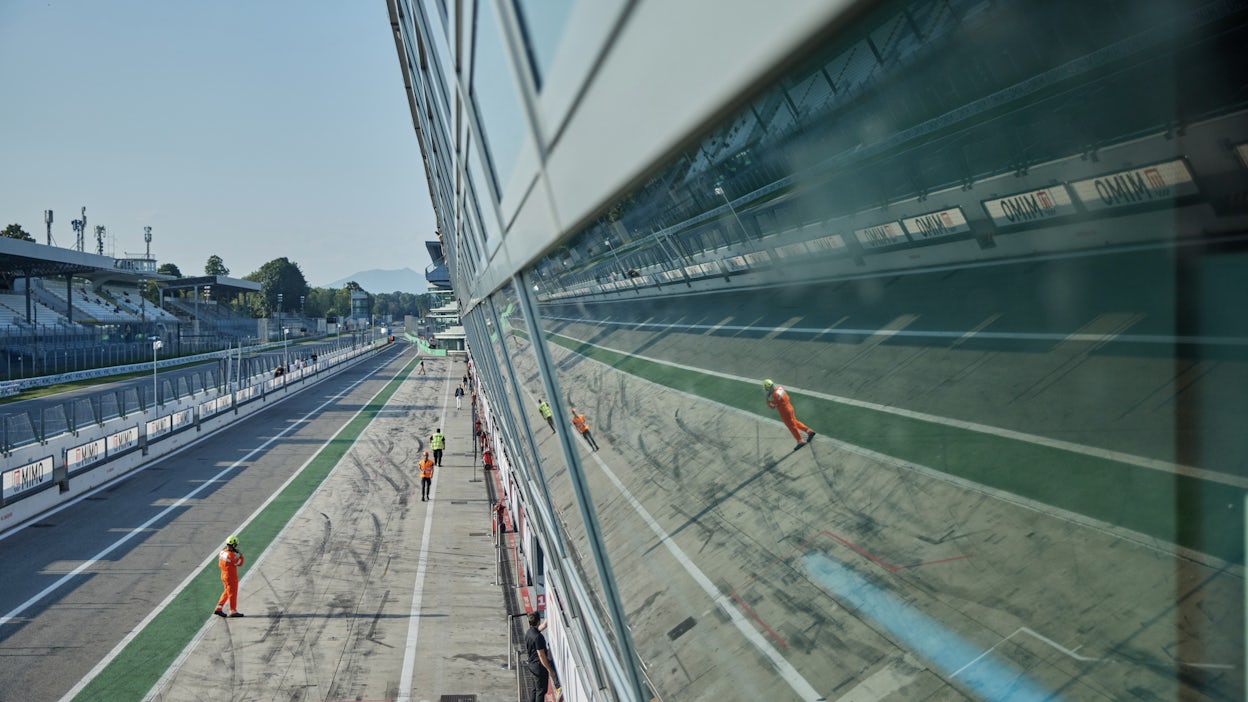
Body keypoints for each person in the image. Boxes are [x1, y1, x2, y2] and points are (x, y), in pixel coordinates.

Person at [763, 379, 816, 451]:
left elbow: (772, 406)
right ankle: (809, 431)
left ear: (768, 388)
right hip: (789, 407)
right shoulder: (780, 388)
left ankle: (800, 441)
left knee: (791, 426)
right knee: (795, 422)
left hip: (784, 411)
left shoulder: (775, 396)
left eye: (766, 389)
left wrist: (767, 400)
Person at [524, 611, 560, 702]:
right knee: (541, 691)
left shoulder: (529, 632)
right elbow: (541, 655)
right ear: (538, 621)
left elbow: (541, 627)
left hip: (532, 665)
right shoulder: (538, 637)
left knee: (534, 689)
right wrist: (550, 670)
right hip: (539, 667)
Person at [214, 535, 246, 618]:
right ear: (234, 545)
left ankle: (219, 608)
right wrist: (241, 556)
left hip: (223, 575)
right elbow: (239, 563)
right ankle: (233, 611)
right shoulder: (231, 556)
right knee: (232, 593)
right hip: (231, 577)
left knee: (226, 592)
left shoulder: (222, 552)